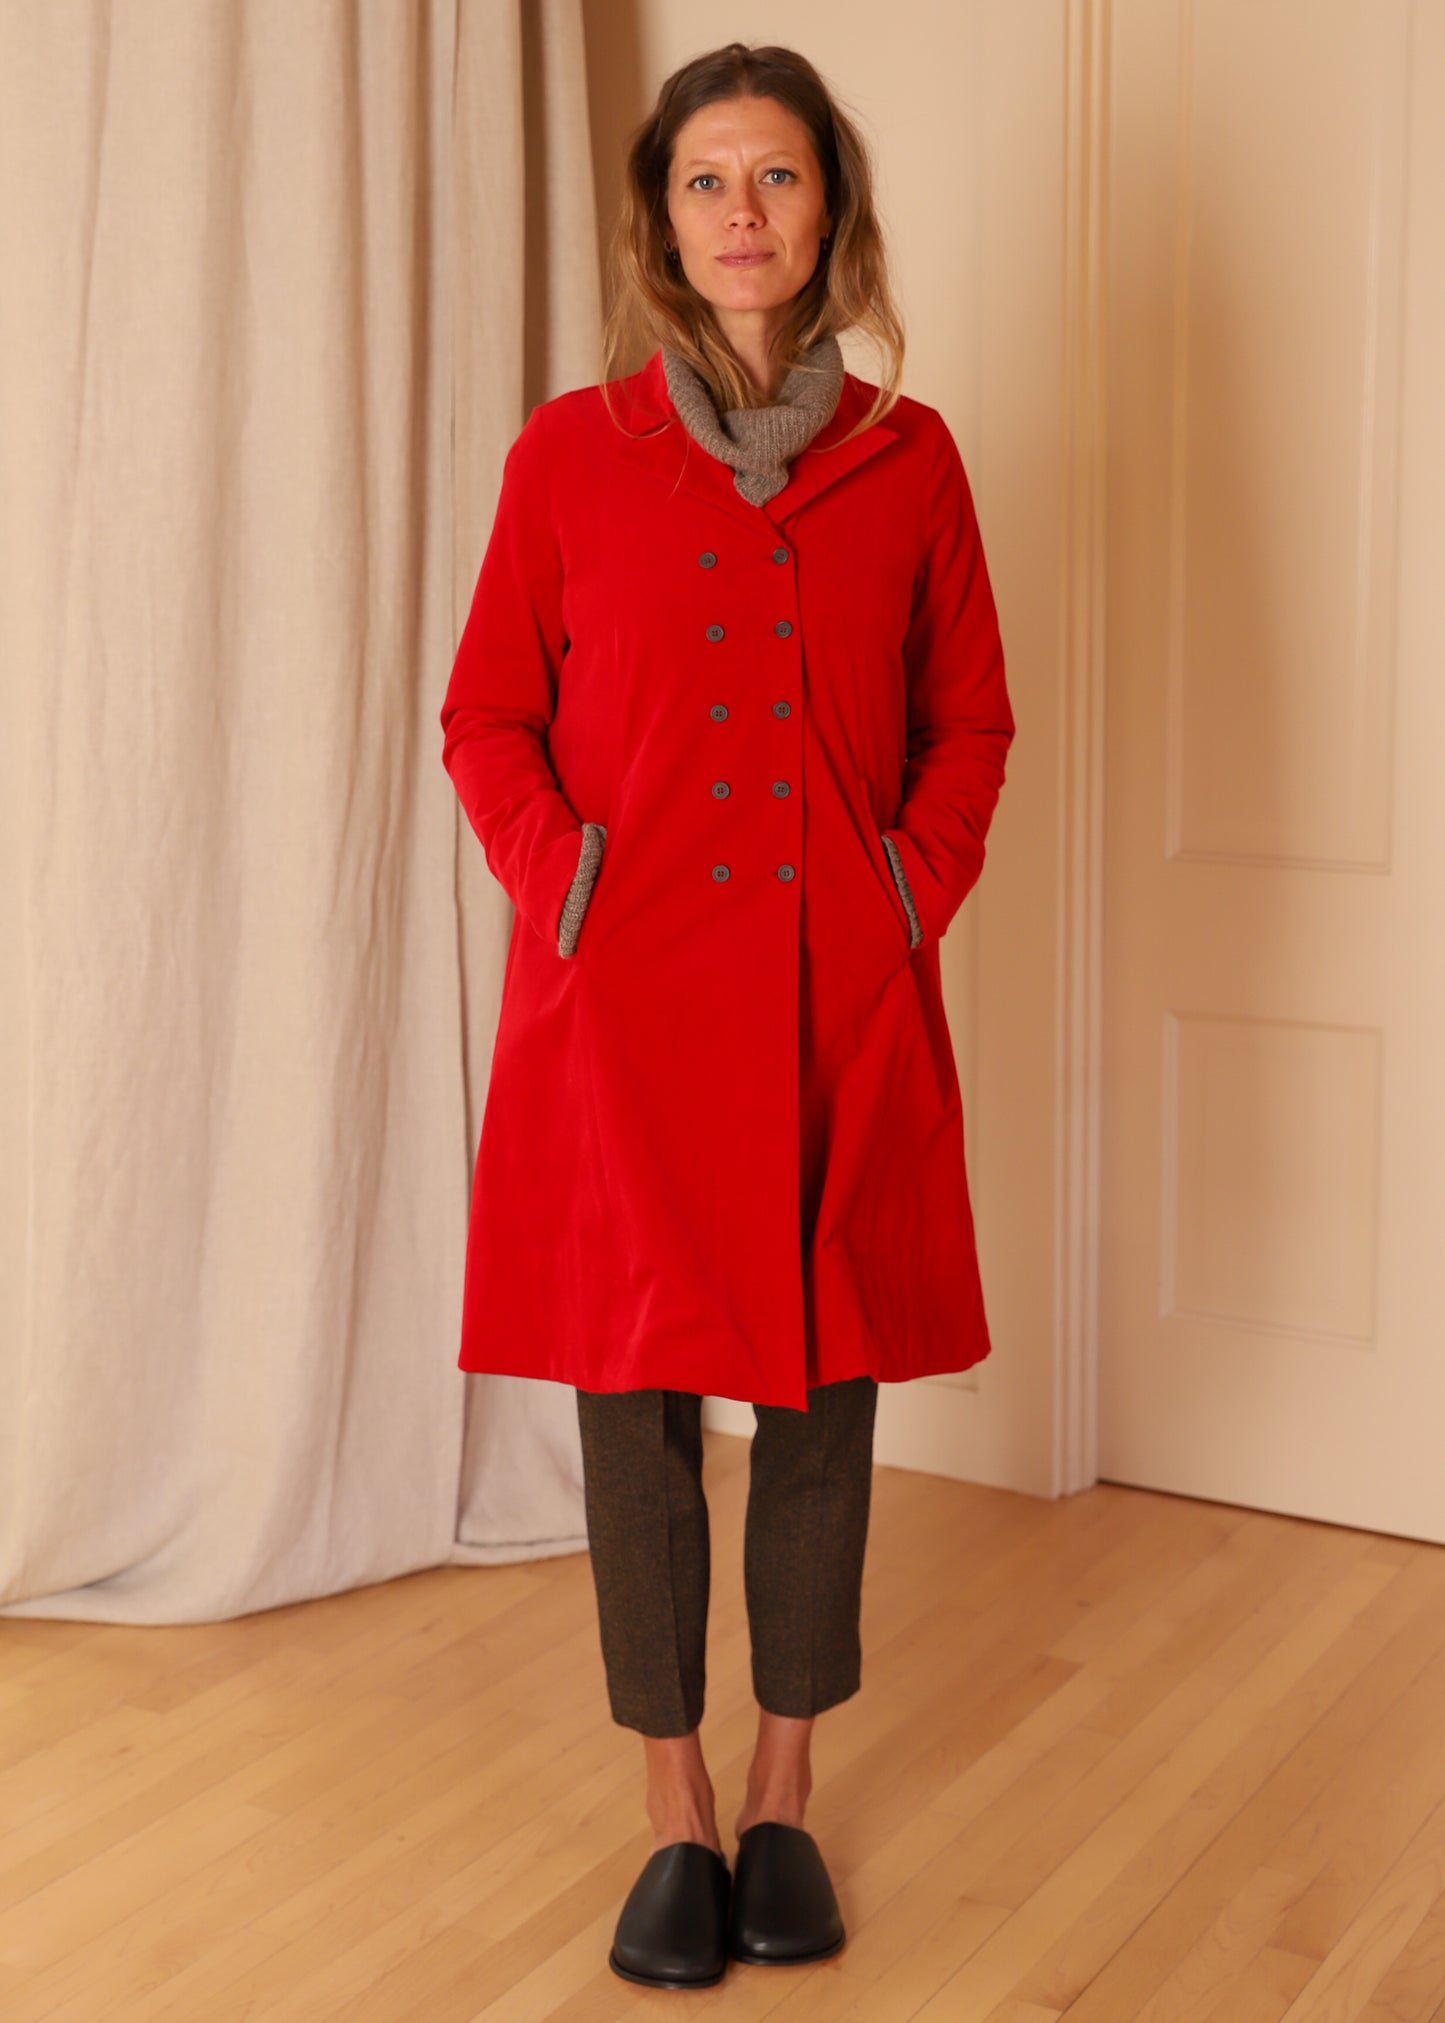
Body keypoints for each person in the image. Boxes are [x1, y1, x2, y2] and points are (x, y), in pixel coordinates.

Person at [439, 39, 1015, 1991]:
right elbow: (486, 717)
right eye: (706, 180)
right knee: (632, 1410)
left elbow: (969, 727)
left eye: (774, 174)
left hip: (837, 1004)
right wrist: (571, 886)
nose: (741, 211)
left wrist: (900, 895)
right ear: (662, 219)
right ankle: (673, 1808)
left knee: (822, 1401)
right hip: (618, 1017)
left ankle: (785, 1790)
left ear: (827, 206)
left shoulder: (913, 464)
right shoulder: (567, 454)